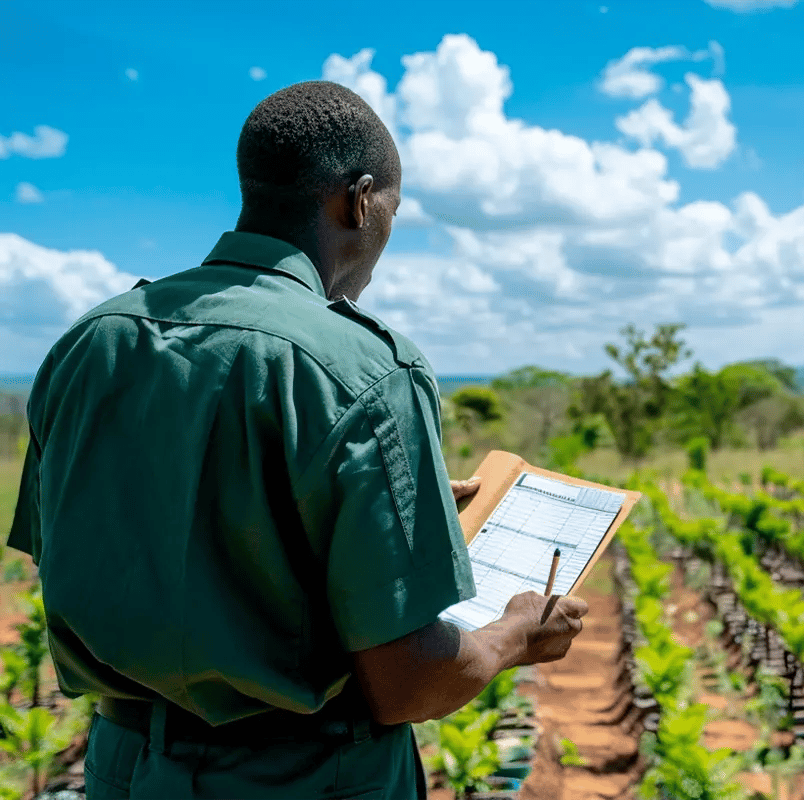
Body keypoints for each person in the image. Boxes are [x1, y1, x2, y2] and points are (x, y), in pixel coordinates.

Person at [6, 80, 588, 800]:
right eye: (394, 211)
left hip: (123, 767)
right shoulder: (368, 369)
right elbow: (408, 684)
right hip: (306, 776)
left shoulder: (89, 345)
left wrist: (387, 517)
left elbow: (119, 544)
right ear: (360, 200)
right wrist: (513, 636)